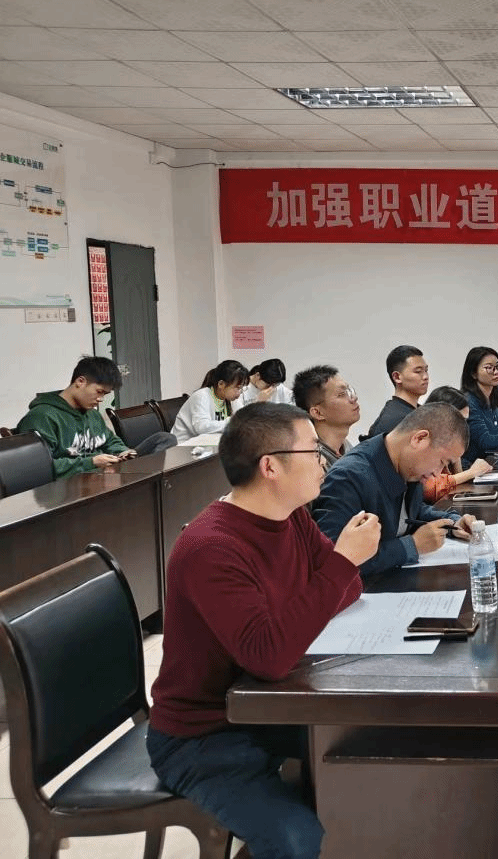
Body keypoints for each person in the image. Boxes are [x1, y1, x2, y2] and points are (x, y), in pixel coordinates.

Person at [147, 402, 382, 859]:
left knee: (372, 756)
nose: (324, 461)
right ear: (270, 466)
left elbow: (348, 588)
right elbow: (270, 657)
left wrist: (336, 571)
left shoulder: (290, 515)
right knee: (296, 838)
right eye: (313, 450)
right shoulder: (211, 548)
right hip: (204, 734)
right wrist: (341, 561)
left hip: (266, 708)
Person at [312, 403, 478, 578]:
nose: (438, 473)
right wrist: (412, 546)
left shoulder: (407, 465)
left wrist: (452, 523)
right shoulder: (348, 478)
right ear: (419, 439)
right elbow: (334, 560)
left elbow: (410, 513)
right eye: (442, 462)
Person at [16, 355, 176, 477]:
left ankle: (143, 478)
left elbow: (110, 440)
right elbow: (40, 468)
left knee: (164, 439)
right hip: (74, 483)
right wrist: (91, 462)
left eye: (105, 394)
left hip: (106, 474)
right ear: (80, 381)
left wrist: (122, 451)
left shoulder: (92, 414)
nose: (101, 399)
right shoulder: (42, 416)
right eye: (99, 392)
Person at [419, 386, 494, 502]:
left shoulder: (446, 441)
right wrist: (472, 472)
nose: (463, 427)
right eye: (459, 421)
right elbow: (429, 488)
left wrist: (456, 455)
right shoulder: (423, 440)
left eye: (465, 421)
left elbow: (454, 482)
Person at [293, 364, 361, 468]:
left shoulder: (347, 449)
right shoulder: (311, 462)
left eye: (349, 391)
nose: (354, 398)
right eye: (342, 394)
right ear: (317, 413)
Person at [171, 359, 250, 442]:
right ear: (221, 384)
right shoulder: (202, 396)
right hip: (185, 445)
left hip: (208, 443)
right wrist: (232, 422)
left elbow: (242, 419)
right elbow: (201, 427)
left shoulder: (229, 398)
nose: (239, 393)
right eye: (237, 388)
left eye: (241, 388)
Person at [366, 345, 429, 439]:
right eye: (418, 371)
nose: (425, 377)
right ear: (397, 377)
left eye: (426, 370)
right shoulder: (393, 421)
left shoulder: (420, 412)